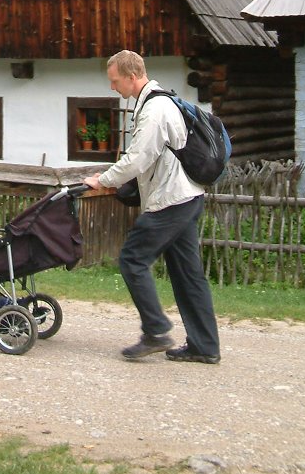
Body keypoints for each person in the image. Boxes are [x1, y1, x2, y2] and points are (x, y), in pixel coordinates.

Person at [84, 50, 221, 364]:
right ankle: (205, 346)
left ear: (132, 77)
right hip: (187, 197)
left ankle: (156, 330)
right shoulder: (155, 102)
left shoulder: (155, 109)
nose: (112, 88)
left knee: (132, 258)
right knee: (189, 275)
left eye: (115, 81)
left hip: (171, 201)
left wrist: (103, 179)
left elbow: (138, 159)